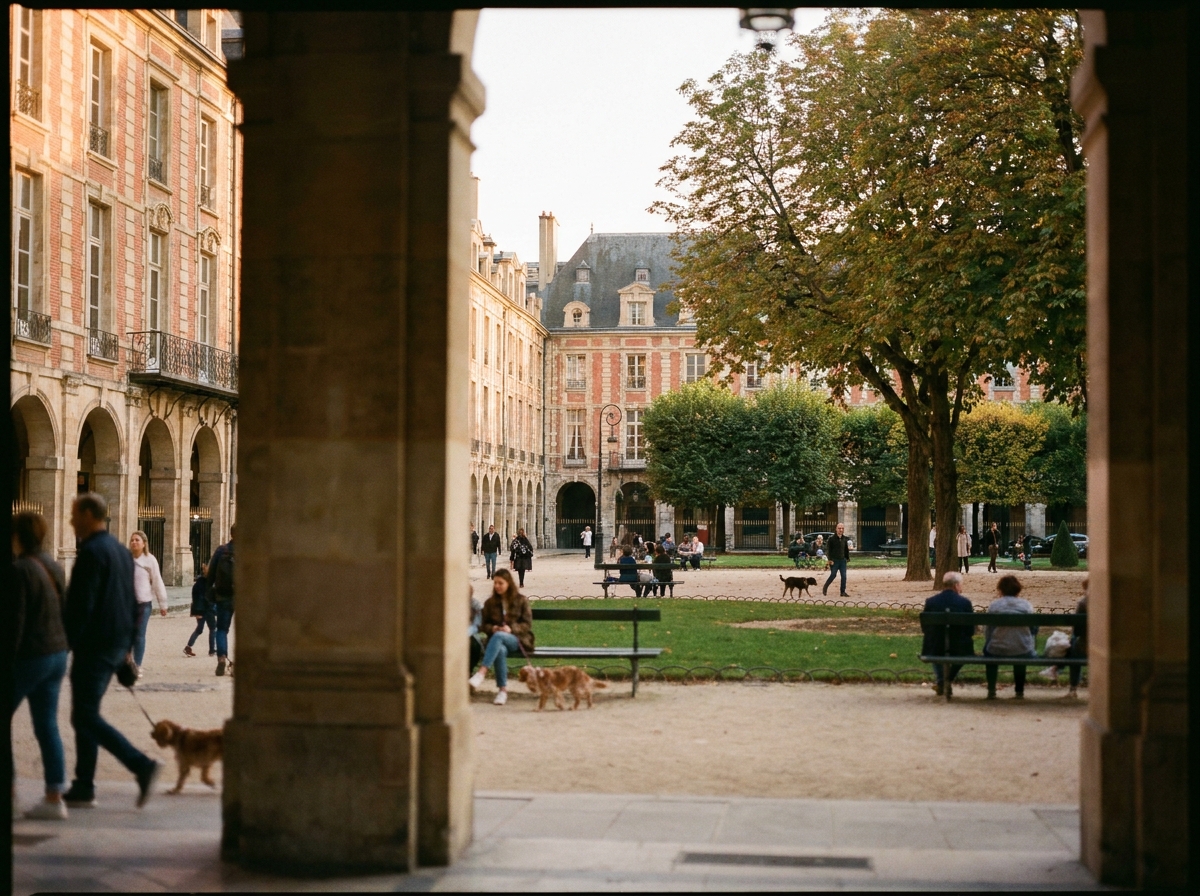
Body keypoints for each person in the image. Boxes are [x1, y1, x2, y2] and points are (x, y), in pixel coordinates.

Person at [61, 493, 160, 808]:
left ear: (89, 514)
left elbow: (81, 606)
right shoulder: (119, 551)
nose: (70, 520)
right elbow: (131, 601)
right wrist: (126, 648)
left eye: (75, 514)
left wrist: (66, 644)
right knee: (85, 713)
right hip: (114, 643)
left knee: (85, 715)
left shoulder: (91, 552)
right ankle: (84, 783)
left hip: (94, 646)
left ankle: (140, 765)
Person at [11, 511, 70, 819]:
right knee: (47, 725)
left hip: (31, 656)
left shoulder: (19, 569)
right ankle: (54, 797)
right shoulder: (53, 565)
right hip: (57, 653)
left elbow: (15, 621)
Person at [468, 569, 534, 706]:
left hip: (517, 639)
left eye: (500, 583)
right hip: (496, 642)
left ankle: (481, 673)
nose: (497, 586)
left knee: (499, 637)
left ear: (508, 583)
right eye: (495, 583)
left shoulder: (520, 600)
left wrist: (511, 628)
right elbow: (483, 625)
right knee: (500, 649)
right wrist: (493, 628)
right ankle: (502, 691)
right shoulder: (490, 603)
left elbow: (527, 624)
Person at [920, 571, 976, 696]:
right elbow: (970, 630)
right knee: (964, 650)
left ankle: (942, 682)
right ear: (956, 585)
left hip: (935, 646)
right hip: (959, 647)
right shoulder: (965, 603)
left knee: (935, 643)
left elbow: (926, 629)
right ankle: (946, 681)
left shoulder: (931, 602)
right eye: (961, 585)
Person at [983, 574, 1037, 699]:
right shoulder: (1026, 606)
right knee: (1020, 647)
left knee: (988, 652)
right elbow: (1033, 629)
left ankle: (991, 690)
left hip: (997, 648)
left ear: (1000, 589)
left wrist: (989, 643)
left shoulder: (995, 606)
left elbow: (988, 631)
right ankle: (1019, 691)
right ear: (1018, 589)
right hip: (1022, 648)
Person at [129, 530, 168, 673]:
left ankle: (137, 665)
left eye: (137, 540)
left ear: (144, 543)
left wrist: (163, 603)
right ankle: (128, 662)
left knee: (139, 635)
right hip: (127, 604)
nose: (134, 542)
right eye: (132, 540)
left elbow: (157, 581)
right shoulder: (126, 558)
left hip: (143, 603)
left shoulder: (150, 560)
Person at [205, 525, 236, 677]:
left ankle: (222, 658)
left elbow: (210, 574)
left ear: (231, 534)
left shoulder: (221, 550)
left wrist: (209, 591)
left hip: (224, 596)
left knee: (222, 629)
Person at [183, 564, 217, 658]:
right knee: (212, 629)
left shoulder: (200, 583)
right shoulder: (204, 583)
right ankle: (211, 650)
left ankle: (188, 647)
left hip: (202, 609)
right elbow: (198, 598)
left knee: (200, 629)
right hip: (205, 609)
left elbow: (196, 599)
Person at [821, 523, 851, 597]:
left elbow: (845, 549)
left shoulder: (845, 538)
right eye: (839, 528)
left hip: (842, 560)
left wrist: (847, 558)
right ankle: (825, 587)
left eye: (842, 528)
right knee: (833, 575)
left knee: (844, 576)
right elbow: (828, 550)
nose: (841, 530)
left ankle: (842, 592)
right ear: (836, 529)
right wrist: (830, 559)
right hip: (834, 560)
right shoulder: (831, 539)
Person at [467, 587, 484, 674]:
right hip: (456, 634)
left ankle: (469, 671)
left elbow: (477, 624)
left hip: (472, 633)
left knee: (474, 646)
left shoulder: (475, 604)